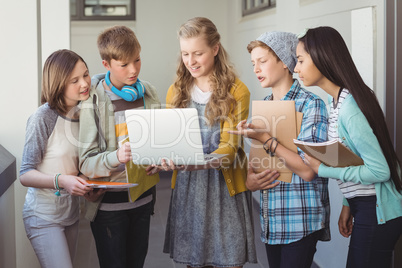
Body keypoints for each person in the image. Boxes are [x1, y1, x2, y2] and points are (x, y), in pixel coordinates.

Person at [295, 26, 402, 268]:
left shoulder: (349, 109)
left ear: (322, 56)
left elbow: (380, 171)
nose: (296, 68)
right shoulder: (338, 101)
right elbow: (354, 158)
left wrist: (323, 169)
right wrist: (347, 204)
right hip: (364, 206)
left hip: (377, 211)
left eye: (301, 60)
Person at [159, 17, 257, 268]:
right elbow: (172, 142)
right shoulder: (176, 90)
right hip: (189, 189)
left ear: (215, 49)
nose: (190, 61)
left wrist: (196, 163)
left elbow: (229, 148)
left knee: (230, 261)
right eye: (185, 54)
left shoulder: (237, 91)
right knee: (195, 262)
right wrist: (163, 158)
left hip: (225, 189)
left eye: (198, 53)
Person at [230, 31, 330, 268]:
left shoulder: (311, 105)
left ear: (285, 62)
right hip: (271, 221)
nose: (256, 69)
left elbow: (308, 171)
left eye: (262, 62)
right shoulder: (263, 106)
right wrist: (250, 181)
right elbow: (260, 165)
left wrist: (266, 138)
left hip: (301, 220)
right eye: (253, 63)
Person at [78, 25, 161, 268]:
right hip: (109, 207)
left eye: (137, 60)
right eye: (123, 64)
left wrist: (158, 158)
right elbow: (85, 162)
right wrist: (116, 157)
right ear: (106, 64)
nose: (133, 69)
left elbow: (156, 144)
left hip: (143, 200)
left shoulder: (149, 92)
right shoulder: (92, 100)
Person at [20, 49, 92, 268]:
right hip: (42, 217)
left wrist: (87, 184)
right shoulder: (42, 117)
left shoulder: (84, 115)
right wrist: (63, 181)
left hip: (71, 214)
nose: (84, 83)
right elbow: (25, 174)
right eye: (75, 80)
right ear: (59, 83)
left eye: (86, 75)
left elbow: (77, 164)